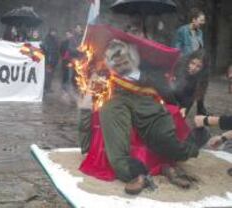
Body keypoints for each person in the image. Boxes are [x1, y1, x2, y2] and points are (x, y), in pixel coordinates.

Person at [78, 27, 211, 195]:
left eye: (139, 40)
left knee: (163, 137)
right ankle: (136, 174)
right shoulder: (109, 54)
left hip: (144, 100)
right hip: (115, 99)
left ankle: (187, 151)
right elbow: (92, 85)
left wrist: (174, 105)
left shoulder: (150, 63)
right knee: (117, 153)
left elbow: (163, 87)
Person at [173, 8, 208, 115]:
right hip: (186, 64)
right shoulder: (182, 30)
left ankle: (199, 107)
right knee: (185, 88)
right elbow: (176, 49)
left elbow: (200, 48)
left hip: (197, 63)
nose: (203, 22)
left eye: (204, 20)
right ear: (194, 19)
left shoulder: (200, 32)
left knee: (201, 84)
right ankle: (178, 109)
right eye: (201, 20)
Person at [172, 50, 205, 116]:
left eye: (198, 66)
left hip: (187, 97)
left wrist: (184, 107)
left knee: (180, 118)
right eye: (192, 63)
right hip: (172, 93)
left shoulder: (201, 77)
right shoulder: (179, 65)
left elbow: (196, 95)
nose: (193, 68)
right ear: (189, 60)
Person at [41, 28, 60, 93]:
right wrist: (48, 58)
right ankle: (46, 88)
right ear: (50, 32)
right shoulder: (47, 39)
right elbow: (45, 48)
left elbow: (57, 50)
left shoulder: (55, 39)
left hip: (54, 60)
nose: (54, 33)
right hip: (49, 60)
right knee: (48, 74)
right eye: (52, 32)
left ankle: (48, 87)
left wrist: (57, 59)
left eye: (54, 32)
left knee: (51, 75)